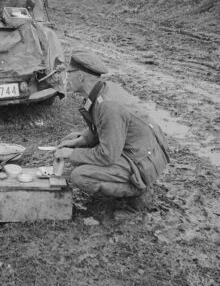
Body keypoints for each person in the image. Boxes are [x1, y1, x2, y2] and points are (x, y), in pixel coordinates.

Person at [55, 48, 170, 213]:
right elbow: (102, 127)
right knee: (78, 150)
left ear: (80, 76)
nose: (66, 78)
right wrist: (80, 141)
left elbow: (107, 155)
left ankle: (137, 191)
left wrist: (70, 154)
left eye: (69, 73)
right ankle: (123, 182)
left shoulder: (108, 105)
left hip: (143, 160)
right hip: (137, 150)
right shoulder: (101, 91)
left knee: (80, 176)